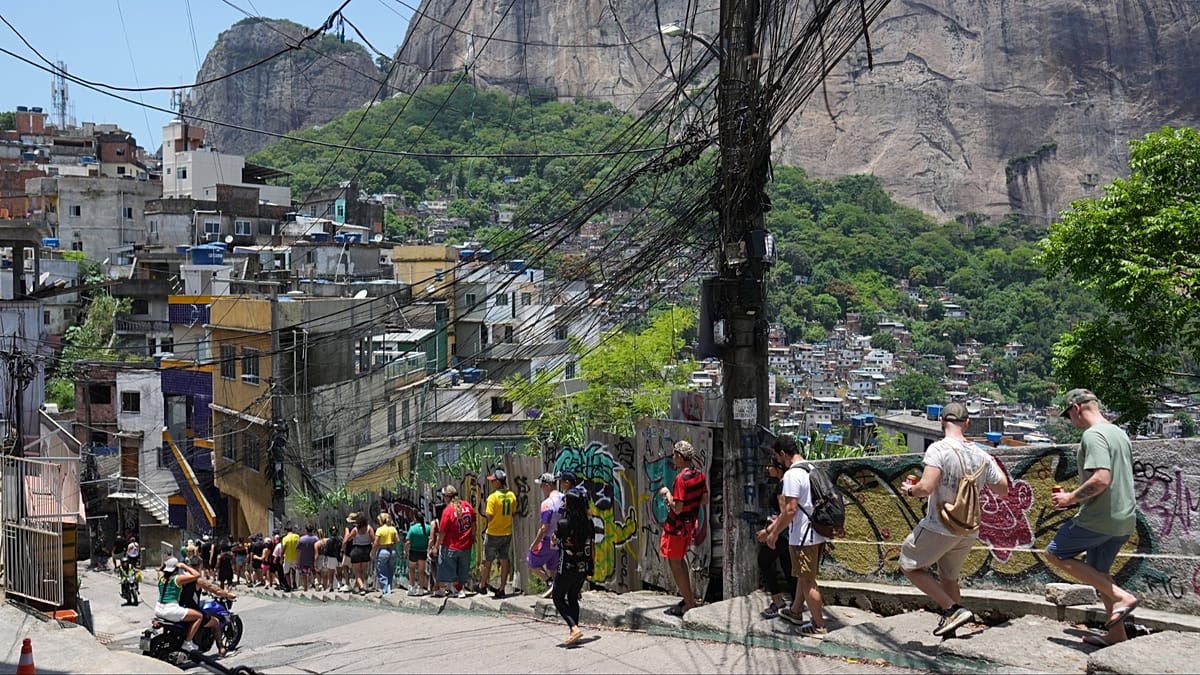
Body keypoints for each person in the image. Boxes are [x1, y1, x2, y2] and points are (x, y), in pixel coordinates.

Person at [899, 402, 1009, 637]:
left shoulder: (938, 449)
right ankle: (951, 632)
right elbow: (1003, 488)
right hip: (968, 529)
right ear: (967, 423)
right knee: (949, 578)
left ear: (942, 421)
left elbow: (926, 488)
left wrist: (910, 491)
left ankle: (952, 609)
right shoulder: (982, 455)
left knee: (908, 563)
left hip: (940, 525)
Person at [1047, 389, 1140, 648]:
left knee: (1054, 553)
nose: (1070, 421)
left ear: (1076, 408)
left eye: (1068, 416)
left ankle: (1122, 597)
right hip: (1124, 518)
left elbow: (1101, 479)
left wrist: (1070, 498)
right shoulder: (1118, 433)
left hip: (1100, 517)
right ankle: (1116, 633)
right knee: (1099, 574)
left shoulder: (1093, 435)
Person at [760, 435, 827, 636]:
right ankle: (795, 611)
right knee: (802, 577)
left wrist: (773, 533)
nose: (776, 461)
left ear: (782, 454)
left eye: (776, 456)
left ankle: (819, 625)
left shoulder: (792, 474)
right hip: (817, 532)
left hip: (803, 536)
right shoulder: (811, 468)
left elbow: (789, 510)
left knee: (807, 581)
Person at [659, 440, 708, 617]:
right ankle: (689, 598)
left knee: (675, 563)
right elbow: (704, 499)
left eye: (674, 455)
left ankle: (689, 603)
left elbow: (677, 507)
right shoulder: (700, 475)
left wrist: (667, 494)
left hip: (676, 527)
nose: (673, 458)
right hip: (689, 525)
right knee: (680, 561)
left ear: (680, 456)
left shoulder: (681, 479)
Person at [553, 486, 594, 645]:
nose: (564, 504)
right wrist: (591, 566)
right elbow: (592, 546)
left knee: (558, 597)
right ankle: (574, 630)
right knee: (572, 596)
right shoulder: (589, 524)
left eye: (566, 502)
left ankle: (573, 628)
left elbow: (554, 541)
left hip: (567, 566)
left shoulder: (563, 524)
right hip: (583, 566)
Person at [756, 456, 796, 619]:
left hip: (782, 533)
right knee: (787, 565)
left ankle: (778, 601)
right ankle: (796, 603)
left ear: (778, 468)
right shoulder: (787, 483)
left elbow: (783, 513)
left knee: (763, 560)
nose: (767, 468)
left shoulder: (782, 485)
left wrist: (769, 532)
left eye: (769, 465)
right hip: (789, 534)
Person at [177, 560, 237, 657]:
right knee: (216, 622)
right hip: (191, 610)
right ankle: (222, 650)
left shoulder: (182, 578)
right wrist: (228, 595)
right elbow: (215, 590)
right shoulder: (197, 580)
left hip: (179, 609)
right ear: (200, 566)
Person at [432, 485, 476, 598]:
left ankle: (458, 589)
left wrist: (436, 547)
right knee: (462, 570)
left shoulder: (448, 511)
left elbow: (442, 532)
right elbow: (473, 523)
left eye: (443, 496)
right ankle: (445, 589)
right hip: (466, 545)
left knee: (447, 569)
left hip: (451, 546)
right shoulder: (467, 506)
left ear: (447, 497)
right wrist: (473, 536)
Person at [480, 469, 518, 598]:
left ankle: (482, 585)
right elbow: (513, 513)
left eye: (493, 481)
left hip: (493, 533)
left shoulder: (493, 497)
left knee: (488, 560)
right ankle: (502, 588)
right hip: (506, 532)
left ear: (498, 482)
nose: (492, 483)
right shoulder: (512, 495)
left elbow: (489, 516)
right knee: (504, 560)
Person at [154, 557, 205, 652]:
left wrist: (166, 564)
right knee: (199, 616)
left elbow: (160, 570)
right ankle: (187, 642)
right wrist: (184, 566)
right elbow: (197, 575)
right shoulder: (177, 579)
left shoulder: (161, 577)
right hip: (171, 609)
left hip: (158, 609)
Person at [528, 472, 563, 599]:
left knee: (531, 560)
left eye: (542, 486)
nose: (541, 489)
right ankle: (555, 591)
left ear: (547, 486)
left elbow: (544, 528)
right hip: (560, 539)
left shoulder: (547, 503)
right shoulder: (564, 498)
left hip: (548, 539)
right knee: (553, 566)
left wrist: (535, 543)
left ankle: (549, 581)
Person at [344, 513, 375, 594]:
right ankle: (362, 586)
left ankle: (361, 587)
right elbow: (373, 539)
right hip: (366, 550)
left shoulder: (355, 529)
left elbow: (349, 539)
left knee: (356, 571)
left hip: (357, 550)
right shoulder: (369, 528)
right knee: (363, 570)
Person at [405, 513, 431, 596]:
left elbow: (408, 542)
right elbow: (430, 539)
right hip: (423, 551)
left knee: (411, 570)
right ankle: (421, 589)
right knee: (421, 571)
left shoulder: (412, 528)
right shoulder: (428, 527)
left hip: (413, 551)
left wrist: (405, 551)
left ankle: (411, 588)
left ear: (415, 519)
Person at [373, 513, 399, 595]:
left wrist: (372, 551)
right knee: (390, 570)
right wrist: (391, 543)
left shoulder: (379, 530)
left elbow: (376, 542)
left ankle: (385, 589)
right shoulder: (393, 529)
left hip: (382, 550)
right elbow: (397, 540)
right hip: (392, 550)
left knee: (381, 571)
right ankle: (389, 588)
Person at [297, 525, 319, 592]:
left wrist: (298, 560)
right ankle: (316, 581)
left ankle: (305, 588)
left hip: (303, 560)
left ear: (306, 530)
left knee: (304, 574)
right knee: (314, 572)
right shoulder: (316, 538)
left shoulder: (301, 539)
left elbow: (298, 550)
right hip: (312, 559)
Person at [281, 525, 301, 590]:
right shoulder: (297, 536)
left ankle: (289, 586)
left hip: (287, 558)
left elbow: (283, 549)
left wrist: (281, 557)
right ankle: (294, 582)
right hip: (296, 557)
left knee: (287, 572)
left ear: (286, 531)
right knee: (294, 570)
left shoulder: (285, 538)